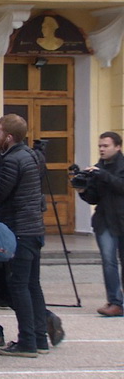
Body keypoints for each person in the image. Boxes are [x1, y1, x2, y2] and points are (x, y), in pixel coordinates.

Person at [0, 114, 49, 357]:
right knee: (32, 285)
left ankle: (27, 341)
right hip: (34, 229)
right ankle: (39, 338)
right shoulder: (30, 155)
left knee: (19, 286)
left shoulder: (13, 159)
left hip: (20, 230)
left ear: (10, 136)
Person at [78, 131, 124, 318]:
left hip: (122, 219)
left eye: (106, 146)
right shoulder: (97, 168)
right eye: (100, 146)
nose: (102, 149)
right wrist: (82, 190)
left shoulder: (116, 168)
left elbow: (121, 186)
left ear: (118, 147)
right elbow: (94, 198)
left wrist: (102, 175)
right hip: (105, 221)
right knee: (109, 262)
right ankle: (115, 302)